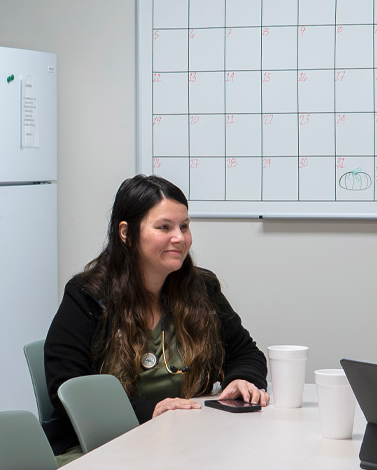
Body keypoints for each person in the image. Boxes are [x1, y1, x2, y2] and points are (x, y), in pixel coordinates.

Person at [43, 175, 268, 450]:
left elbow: (246, 353)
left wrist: (241, 380)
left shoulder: (202, 289)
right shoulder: (87, 296)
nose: (180, 238)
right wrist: (151, 410)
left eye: (184, 226)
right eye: (164, 227)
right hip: (100, 449)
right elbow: (70, 391)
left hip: (184, 444)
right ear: (126, 233)